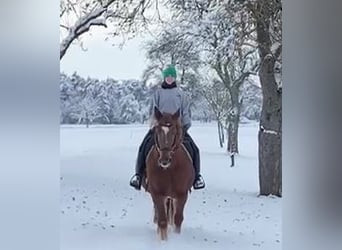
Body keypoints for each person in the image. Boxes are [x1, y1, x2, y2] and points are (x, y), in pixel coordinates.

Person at [129, 65, 205, 190]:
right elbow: (153, 109)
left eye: (172, 76)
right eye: (167, 76)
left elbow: (185, 110)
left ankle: (197, 177)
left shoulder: (181, 94)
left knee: (194, 149)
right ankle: (138, 175)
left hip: (177, 128)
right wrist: (154, 124)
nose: (170, 78)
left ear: (175, 78)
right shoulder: (158, 93)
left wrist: (185, 126)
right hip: (160, 127)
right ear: (164, 77)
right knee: (144, 146)